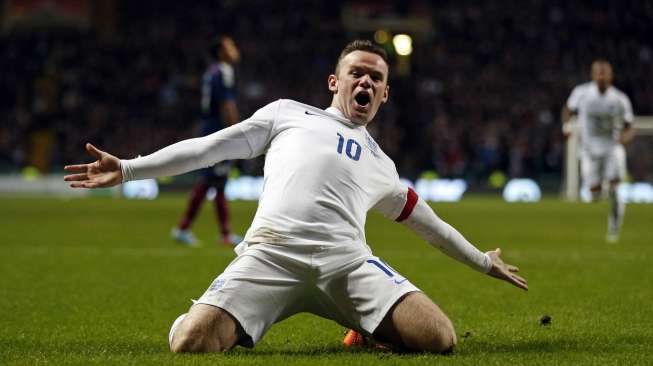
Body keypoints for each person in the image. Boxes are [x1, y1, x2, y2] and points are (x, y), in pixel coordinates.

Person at [64, 40, 527, 354]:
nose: (364, 83)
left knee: (440, 338)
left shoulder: (383, 166)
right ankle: (200, 315)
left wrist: (483, 262)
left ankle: (365, 327)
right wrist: (128, 168)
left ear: (385, 94)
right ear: (335, 82)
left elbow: (430, 225)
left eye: (375, 79)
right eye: (356, 74)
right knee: (190, 343)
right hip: (270, 257)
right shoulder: (287, 115)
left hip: (347, 266)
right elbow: (209, 148)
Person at [171, 35, 242, 246]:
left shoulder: (211, 72)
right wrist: (238, 132)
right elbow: (227, 105)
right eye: (230, 47)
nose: (235, 50)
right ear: (221, 52)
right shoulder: (223, 71)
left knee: (217, 182)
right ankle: (183, 228)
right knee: (211, 180)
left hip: (210, 127)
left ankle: (224, 233)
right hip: (218, 130)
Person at [561, 59, 635, 243]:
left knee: (616, 188)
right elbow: (567, 110)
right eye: (598, 73)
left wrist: (624, 138)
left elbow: (629, 125)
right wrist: (566, 127)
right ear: (593, 75)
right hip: (589, 151)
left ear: (611, 76)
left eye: (605, 73)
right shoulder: (582, 93)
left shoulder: (619, 99)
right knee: (593, 195)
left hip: (612, 148)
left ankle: (614, 230)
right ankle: (602, 190)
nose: (602, 76)